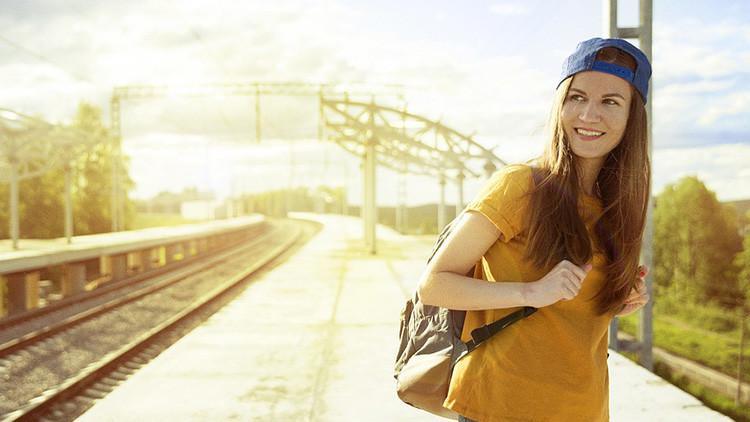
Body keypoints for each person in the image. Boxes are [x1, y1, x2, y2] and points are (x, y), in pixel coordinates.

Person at [417, 37, 652, 422]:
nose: (589, 114)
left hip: (584, 410)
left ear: (632, 118)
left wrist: (619, 298)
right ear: (560, 105)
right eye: (577, 97)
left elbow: (574, 315)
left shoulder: (618, 209)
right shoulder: (521, 186)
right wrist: (532, 291)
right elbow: (435, 284)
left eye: (610, 101)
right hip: (500, 407)